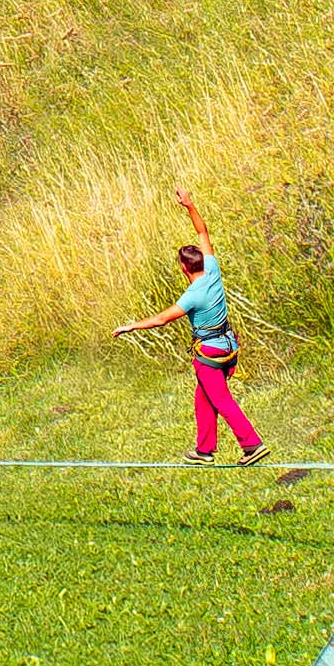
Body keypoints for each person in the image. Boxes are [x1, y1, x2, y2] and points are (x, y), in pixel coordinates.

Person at [115, 185, 267, 463]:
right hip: (229, 347)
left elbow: (161, 319)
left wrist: (131, 326)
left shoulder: (192, 295)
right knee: (204, 398)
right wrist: (189, 205)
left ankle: (252, 445)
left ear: (184, 268)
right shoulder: (213, 270)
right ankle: (204, 450)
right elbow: (203, 232)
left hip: (210, 354)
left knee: (221, 401)